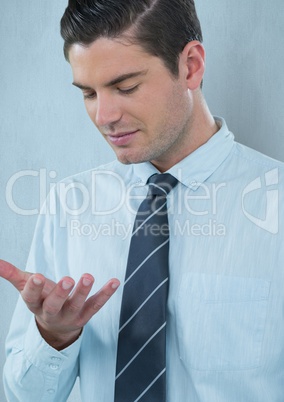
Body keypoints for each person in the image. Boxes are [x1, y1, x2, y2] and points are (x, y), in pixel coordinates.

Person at [1, 0, 284, 401]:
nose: (104, 115)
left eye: (126, 86)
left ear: (190, 66)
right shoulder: (70, 204)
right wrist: (54, 336)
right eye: (88, 93)